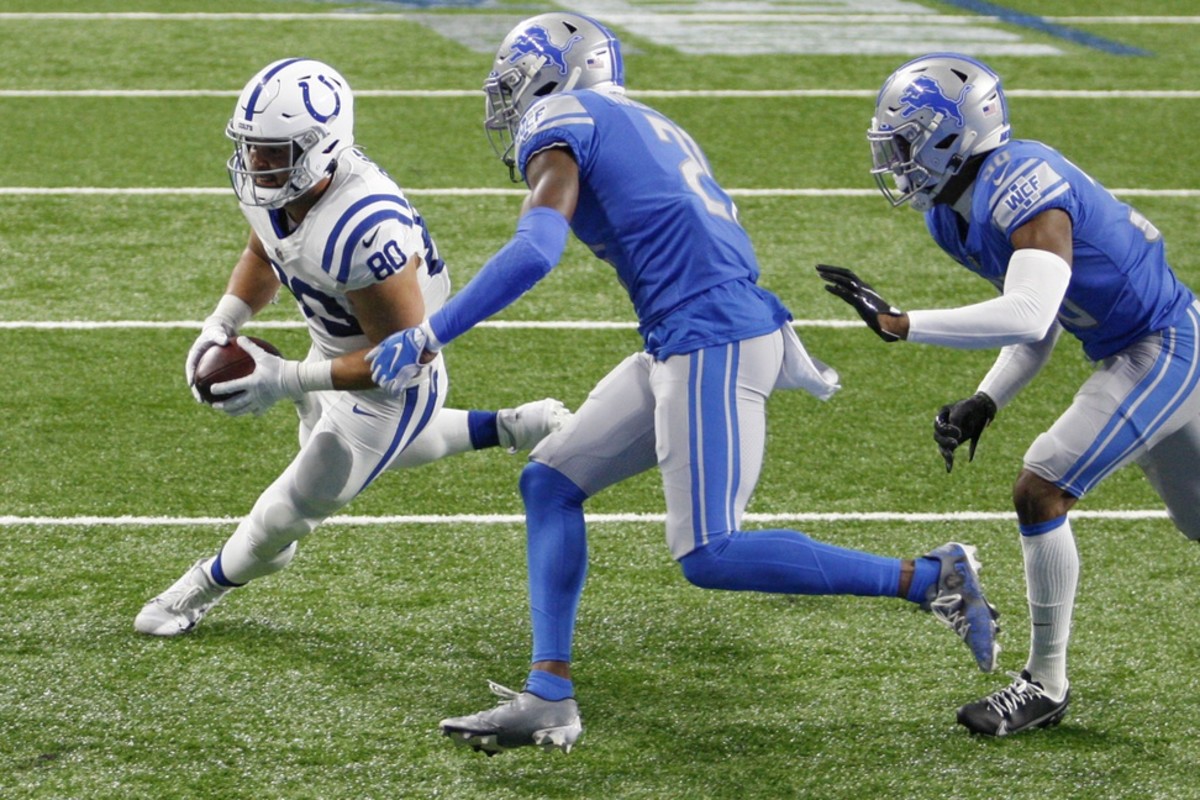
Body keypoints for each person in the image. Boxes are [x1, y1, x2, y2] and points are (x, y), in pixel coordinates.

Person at [368, 14, 1000, 755]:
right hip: (693, 333)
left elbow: (536, 249)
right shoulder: (642, 118)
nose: (509, 105)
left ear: (552, 76)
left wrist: (428, 333)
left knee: (709, 552)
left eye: (515, 85)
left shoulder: (560, 117)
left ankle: (931, 578)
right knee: (549, 483)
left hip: (713, 339)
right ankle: (549, 695)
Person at [818, 52, 1200, 737]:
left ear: (947, 136)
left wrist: (905, 326)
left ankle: (1044, 685)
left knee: (1041, 486)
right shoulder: (953, 213)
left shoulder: (1021, 182)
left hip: (1167, 344)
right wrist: (986, 399)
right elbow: (1043, 318)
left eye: (905, 141)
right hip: (1135, 347)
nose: (896, 158)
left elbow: (1027, 311)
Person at [134, 58, 571, 637]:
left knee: (290, 509)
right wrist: (223, 321)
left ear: (322, 147)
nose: (256, 163)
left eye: (274, 150)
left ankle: (200, 587)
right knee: (349, 458)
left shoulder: (363, 225)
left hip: (396, 381)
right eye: (251, 147)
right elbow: (263, 251)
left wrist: (284, 379)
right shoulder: (277, 183)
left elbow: (404, 357)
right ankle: (508, 425)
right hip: (331, 349)